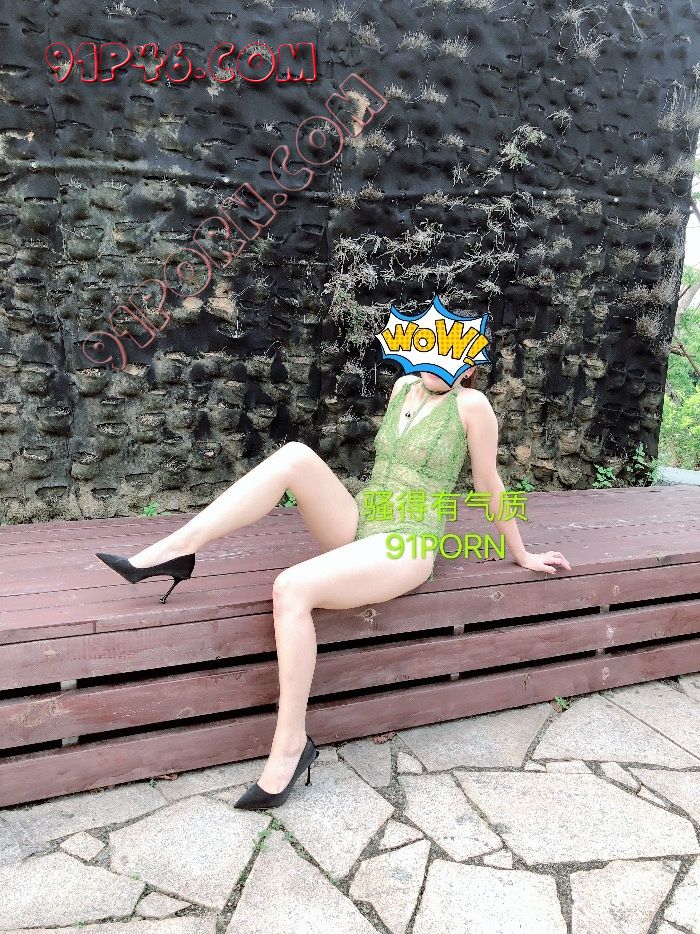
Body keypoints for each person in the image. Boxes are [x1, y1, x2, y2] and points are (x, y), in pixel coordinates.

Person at [95, 364, 571, 809]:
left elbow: (489, 482)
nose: (433, 362)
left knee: (290, 588)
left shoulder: (471, 406)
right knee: (295, 456)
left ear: (467, 361)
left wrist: (522, 553)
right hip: (363, 519)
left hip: (408, 541)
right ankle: (176, 550)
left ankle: (290, 745)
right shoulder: (402, 388)